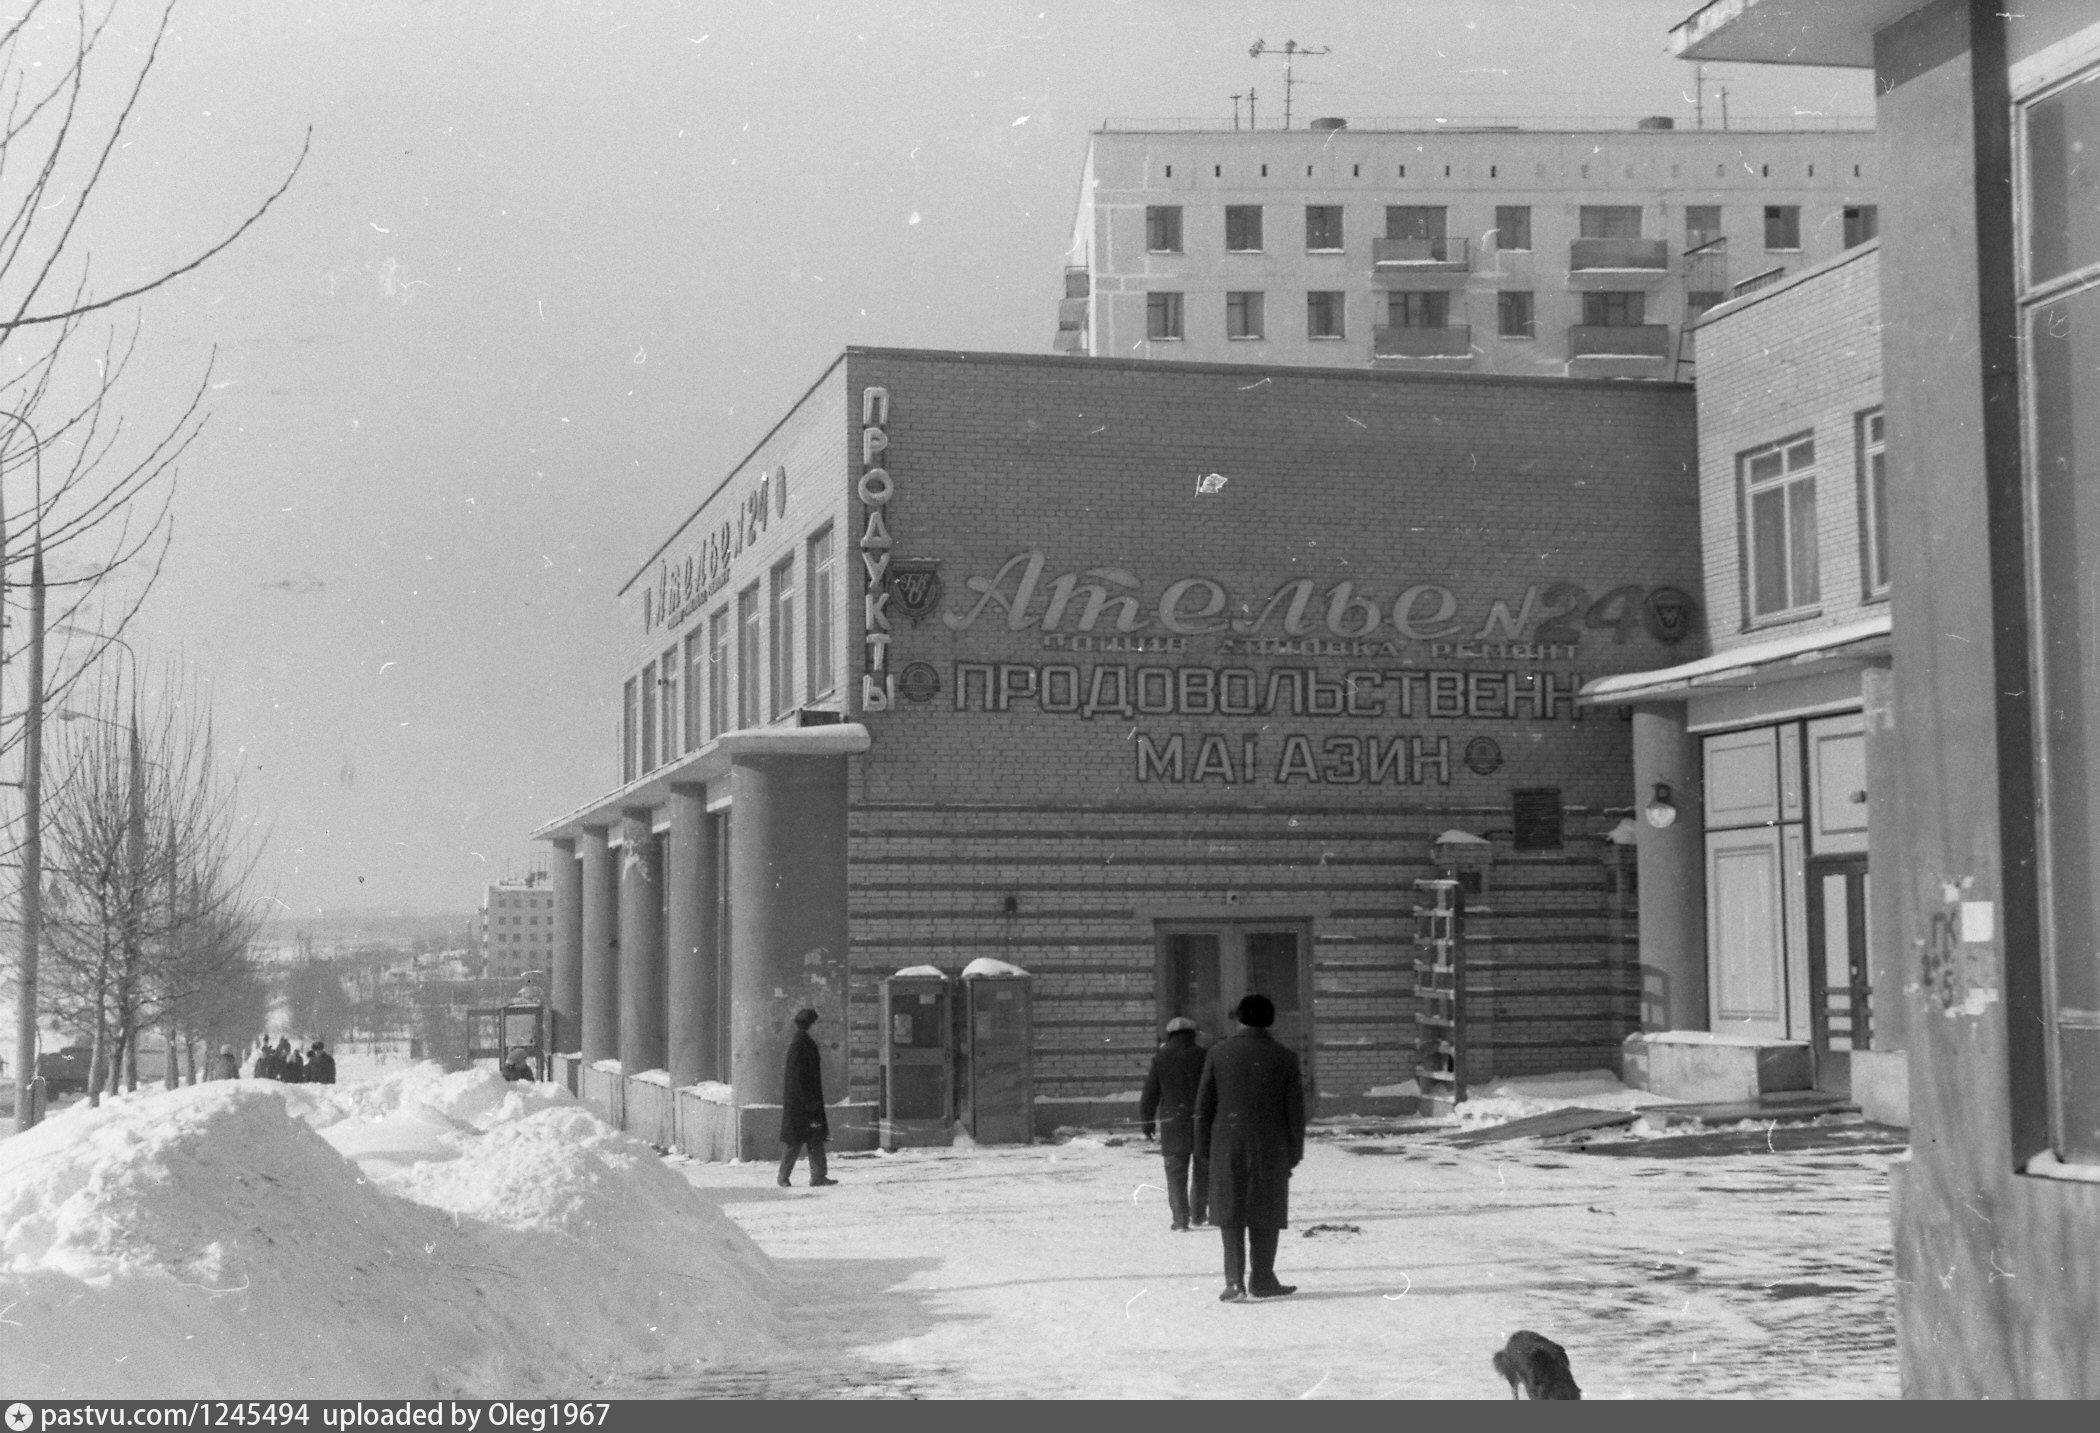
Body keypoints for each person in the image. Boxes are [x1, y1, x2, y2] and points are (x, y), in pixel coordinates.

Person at [1193, 992, 1307, 1302]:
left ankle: (1234, 1282)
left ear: (1240, 1018)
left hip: (1226, 1144)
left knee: (1231, 1212)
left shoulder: (1218, 1053)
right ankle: (1263, 1278)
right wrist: (1293, 1153)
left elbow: (1204, 1106)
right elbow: (1295, 1112)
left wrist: (1203, 1149)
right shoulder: (1286, 1057)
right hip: (1271, 1146)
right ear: (1270, 1020)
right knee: (1265, 1211)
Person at [1140, 1015, 1210, 1231]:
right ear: (1192, 1033)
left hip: (1174, 1124)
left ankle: (1180, 1220)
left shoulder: (1161, 1058)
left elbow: (1150, 1093)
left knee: (1176, 1172)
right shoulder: (1204, 1055)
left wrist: (1147, 1123)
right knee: (1202, 1170)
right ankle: (1199, 1215)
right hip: (1202, 1122)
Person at [777, 1007, 836, 1188]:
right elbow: (797, 1076)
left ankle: (818, 1176)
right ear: (811, 1025)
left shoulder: (804, 1042)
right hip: (802, 1104)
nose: (821, 1027)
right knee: (795, 1141)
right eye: (818, 1024)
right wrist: (808, 1100)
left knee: (815, 1138)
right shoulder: (800, 1044)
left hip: (808, 1102)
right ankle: (783, 1176)